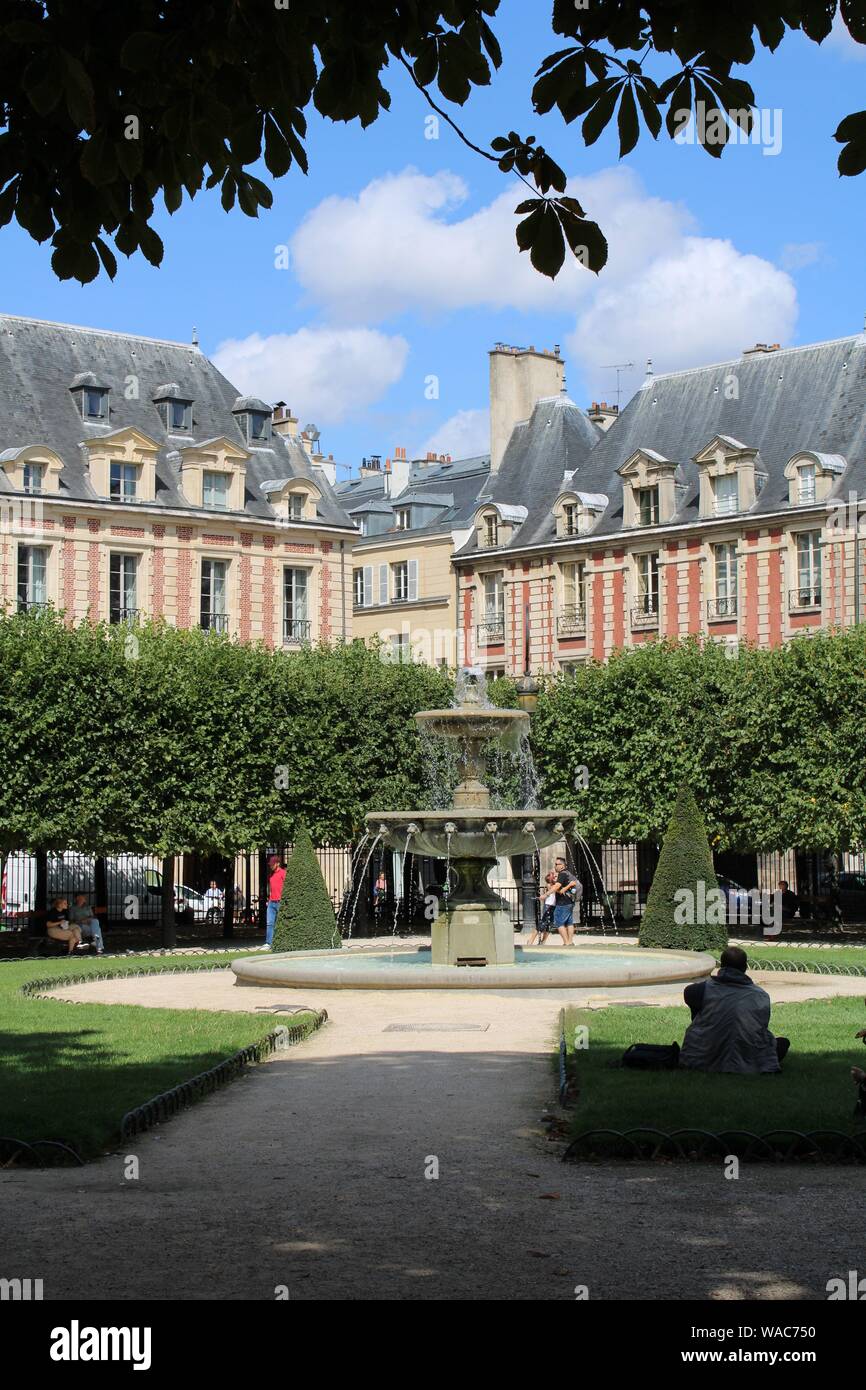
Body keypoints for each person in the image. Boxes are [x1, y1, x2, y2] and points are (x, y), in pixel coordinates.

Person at [680, 946, 790, 1074]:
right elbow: (761, 1029)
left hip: (702, 1056)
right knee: (780, 1043)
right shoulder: (761, 995)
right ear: (744, 967)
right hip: (747, 1058)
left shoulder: (697, 991)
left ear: (721, 965)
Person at [552, 855, 579, 945]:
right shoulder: (568, 873)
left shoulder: (562, 874)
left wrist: (547, 893)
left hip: (562, 903)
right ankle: (570, 942)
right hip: (570, 901)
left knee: (559, 923)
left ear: (562, 866)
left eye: (557, 864)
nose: (555, 866)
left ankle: (566, 942)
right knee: (569, 922)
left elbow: (558, 887)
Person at [526, 872, 558, 946]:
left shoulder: (555, 885)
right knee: (542, 924)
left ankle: (543, 942)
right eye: (553, 876)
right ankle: (530, 940)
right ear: (550, 879)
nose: (555, 877)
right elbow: (553, 889)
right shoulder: (549, 885)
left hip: (553, 906)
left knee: (549, 925)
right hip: (548, 906)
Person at [265, 854, 286, 946]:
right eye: (270, 864)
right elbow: (271, 888)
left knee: (283, 923)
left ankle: (282, 942)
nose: (270, 866)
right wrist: (269, 898)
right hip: (271, 902)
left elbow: (287, 887)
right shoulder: (271, 875)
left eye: (272, 864)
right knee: (270, 923)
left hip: (280, 902)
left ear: (277, 863)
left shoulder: (283, 873)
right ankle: (269, 943)